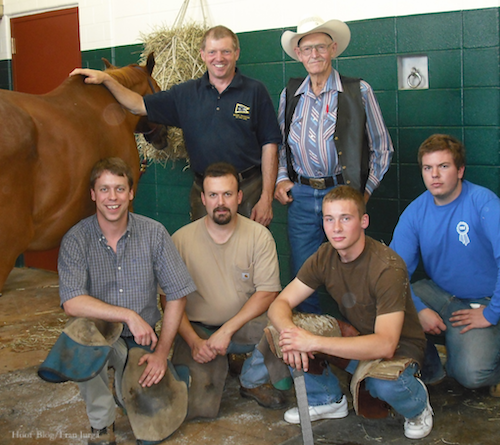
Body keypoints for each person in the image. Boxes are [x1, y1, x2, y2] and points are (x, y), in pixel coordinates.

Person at [70, 26, 281, 227]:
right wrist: (107, 79)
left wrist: (265, 198)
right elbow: (137, 104)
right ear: (202, 54)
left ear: (236, 53)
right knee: (206, 254)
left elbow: (270, 145)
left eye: (226, 51)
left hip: (249, 187)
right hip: (204, 189)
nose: (219, 58)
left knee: (251, 253)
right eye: (212, 52)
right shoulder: (186, 94)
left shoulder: (255, 91)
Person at [268, 185, 433, 440]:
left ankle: (417, 404)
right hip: (358, 338)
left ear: (364, 221)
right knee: (279, 330)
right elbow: (280, 304)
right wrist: (291, 335)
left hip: (399, 349)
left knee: (383, 384)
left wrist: (311, 341)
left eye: (346, 218)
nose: (336, 228)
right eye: (329, 219)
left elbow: (386, 345)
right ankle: (327, 400)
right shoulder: (325, 255)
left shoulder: (387, 268)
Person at [58, 157, 197, 444]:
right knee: (79, 339)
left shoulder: (154, 233)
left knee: (150, 430)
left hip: (140, 340)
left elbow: (178, 293)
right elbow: (71, 302)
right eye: (105, 189)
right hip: (98, 335)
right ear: (93, 194)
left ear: (131, 193)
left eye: (120, 189)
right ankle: (101, 423)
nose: (112, 198)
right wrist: (127, 315)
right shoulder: (76, 239)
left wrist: (161, 353)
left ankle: (166, 377)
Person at [274, 16, 393, 313]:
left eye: (321, 47)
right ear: (299, 55)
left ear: (333, 49)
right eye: (307, 48)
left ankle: (360, 339)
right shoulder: (289, 95)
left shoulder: (359, 91)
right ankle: (313, 344)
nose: (314, 54)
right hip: (301, 197)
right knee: (304, 271)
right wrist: (280, 178)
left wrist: (361, 195)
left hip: (343, 193)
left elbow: (383, 148)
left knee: (352, 268)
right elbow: (278, 144)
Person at [170, 162, 291, 418]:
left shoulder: (259, 236)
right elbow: (168, 300)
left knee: (282, 328)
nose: (220, 202)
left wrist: (227, 331)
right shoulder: (180, 240)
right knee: (197, 410)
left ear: (239, 197)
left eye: (227, 194)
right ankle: (218, 364)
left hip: (242, 328)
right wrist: (193, 341)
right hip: (198, 331)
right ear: (203, 199)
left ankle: (252, 380)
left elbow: (268, 293)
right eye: (213, 195)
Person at [390, 134, 500, 397]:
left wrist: (491, 314)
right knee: (394, 302)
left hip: (486, 299)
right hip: (440, 293)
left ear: (460, 170)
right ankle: (429, 370)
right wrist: (417, 309)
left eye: (444, 166)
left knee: (471, 375)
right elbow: (392, 273)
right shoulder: (416, 212)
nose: (434, 175)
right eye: (428, 168)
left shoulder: (485, 204)